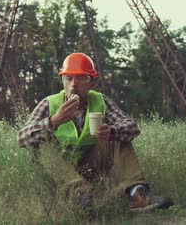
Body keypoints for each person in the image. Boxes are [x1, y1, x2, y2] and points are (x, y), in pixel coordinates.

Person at [17, 52, 173, 213]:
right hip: (62, 170)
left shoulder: (101, 100)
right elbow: (21, 138)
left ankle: (138, 195)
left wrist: (113, 131)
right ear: (62, 80)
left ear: (92, 82)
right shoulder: (49, 103)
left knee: (119, 136)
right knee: (40, 145)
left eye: (81, 78)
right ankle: (81, 197)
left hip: (93, 165)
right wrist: (53, 121)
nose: (73, 84)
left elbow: (132, 127)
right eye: (68, 78)